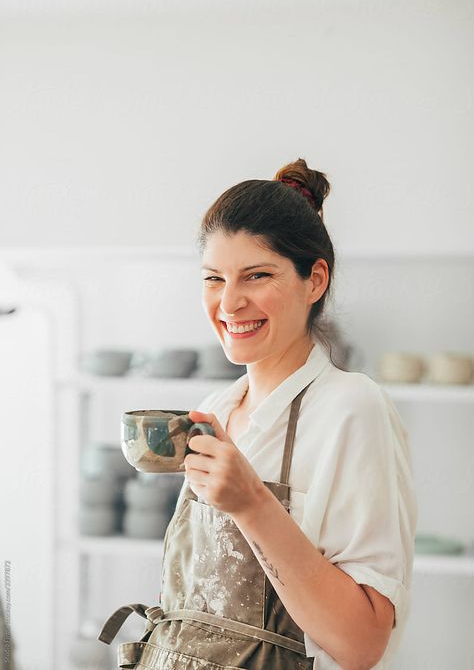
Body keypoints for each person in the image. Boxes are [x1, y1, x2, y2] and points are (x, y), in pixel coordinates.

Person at [98, 158, 418, 670]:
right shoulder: (217, 411)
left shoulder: (352, 408)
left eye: (257, 275)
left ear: (314, 281)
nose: (229, 302)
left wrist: (252, 504)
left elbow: (363, 644)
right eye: (213, 279)